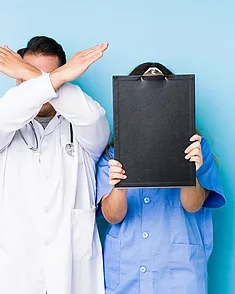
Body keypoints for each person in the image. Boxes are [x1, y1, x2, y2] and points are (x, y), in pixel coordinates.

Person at [0, 36, 110, 294]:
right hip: (11, 277)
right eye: (27, 79)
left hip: (71, 276)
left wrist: (32, 75)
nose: (42, 90)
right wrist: (49, 78)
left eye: (52, 78)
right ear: (17, 83)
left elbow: (95, 119)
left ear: (66, 79)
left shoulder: (84, 131)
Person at [96, 62, 226, 294]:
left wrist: (191, 172)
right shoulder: (113, 154)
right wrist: (119, 186)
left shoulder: (196, 147)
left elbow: (193, 205)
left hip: (179, 273)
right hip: (128, 272)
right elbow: (112, 216)